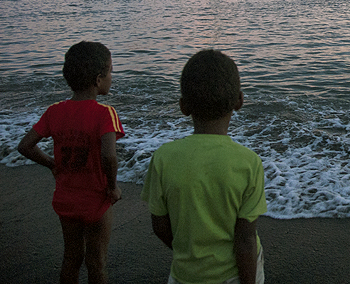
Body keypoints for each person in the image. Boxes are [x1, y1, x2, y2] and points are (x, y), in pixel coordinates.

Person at [141, 49, 267, 284]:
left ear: (183, 106)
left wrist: (191, 254)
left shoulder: (163, 158)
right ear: (239, 101)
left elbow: (159, 225)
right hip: (233, 276)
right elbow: (246, 241)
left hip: (184, 274)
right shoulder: (249, 163)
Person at [17, 41, 124, 284]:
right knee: (96, 261)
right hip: (95, 199)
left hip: (65, 198)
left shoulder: (54, 111)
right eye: (110, 71)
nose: (111, 77)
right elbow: (109, 156)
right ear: (98, 79)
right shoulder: (104, 113)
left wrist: (52, 164)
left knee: (71, 258)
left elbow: (25, 146)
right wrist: (112, 186)